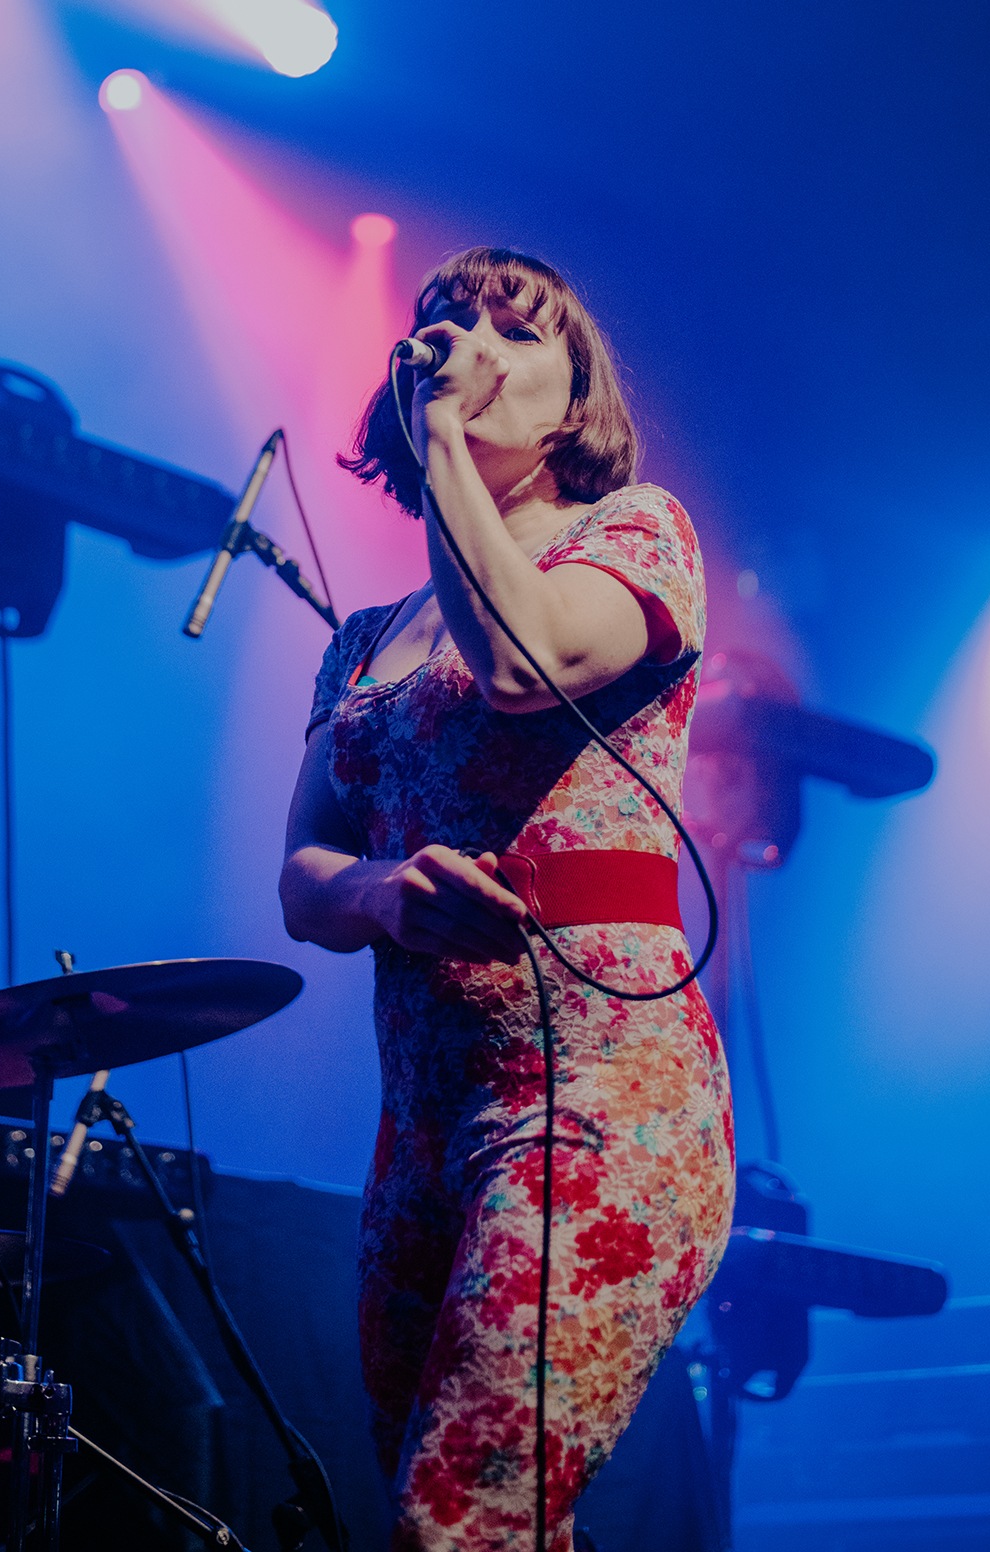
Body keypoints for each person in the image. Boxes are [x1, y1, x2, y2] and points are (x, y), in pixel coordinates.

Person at [280, 247, 735, 1550]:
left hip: (598, 1091)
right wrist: (384, 891)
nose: (464, 343)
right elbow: (303, 876)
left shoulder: (635, 534)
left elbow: (523, 662)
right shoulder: (362, 640)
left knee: (461, 1512)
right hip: (424, 1124)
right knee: (474, 1517)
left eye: (511, 332)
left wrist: (438, 436)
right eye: (441, 320)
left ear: (573, 406)